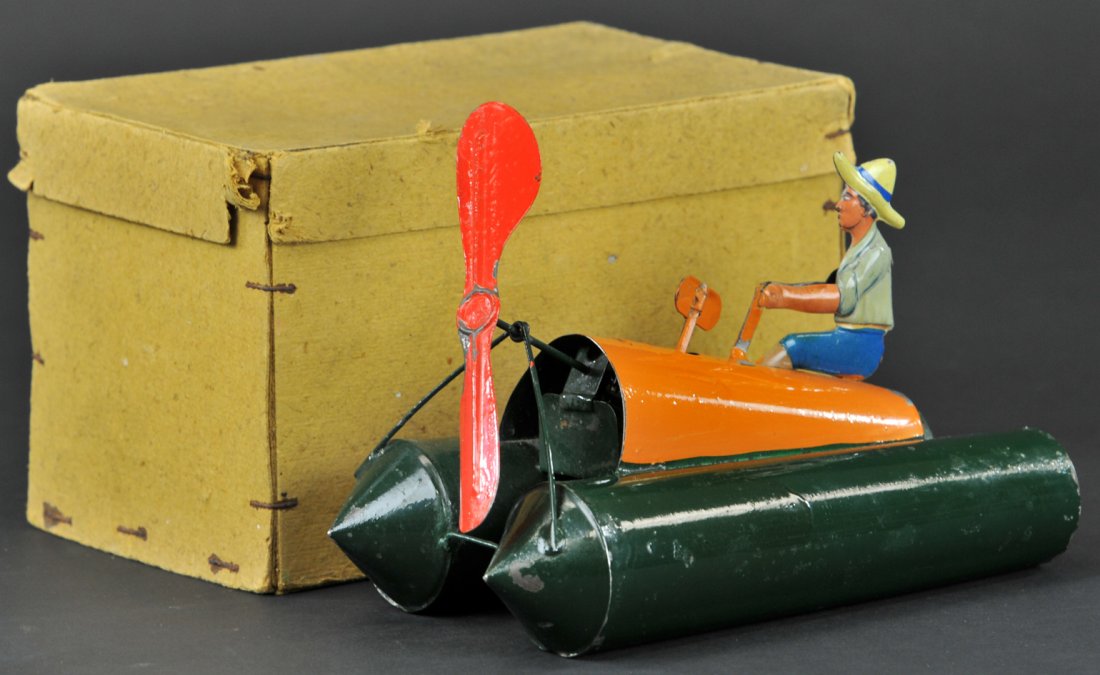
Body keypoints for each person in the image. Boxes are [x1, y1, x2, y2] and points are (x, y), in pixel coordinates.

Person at [757, 152, 905, 379]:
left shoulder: (877, 252)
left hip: (860, 345)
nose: (838, 205)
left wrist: (784, 296)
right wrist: (785, 290)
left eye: (847, 197)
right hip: (850, 339)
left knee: (791, 347)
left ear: (865, 208)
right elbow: (830, 287)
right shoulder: (859, 249)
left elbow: (841, 298)